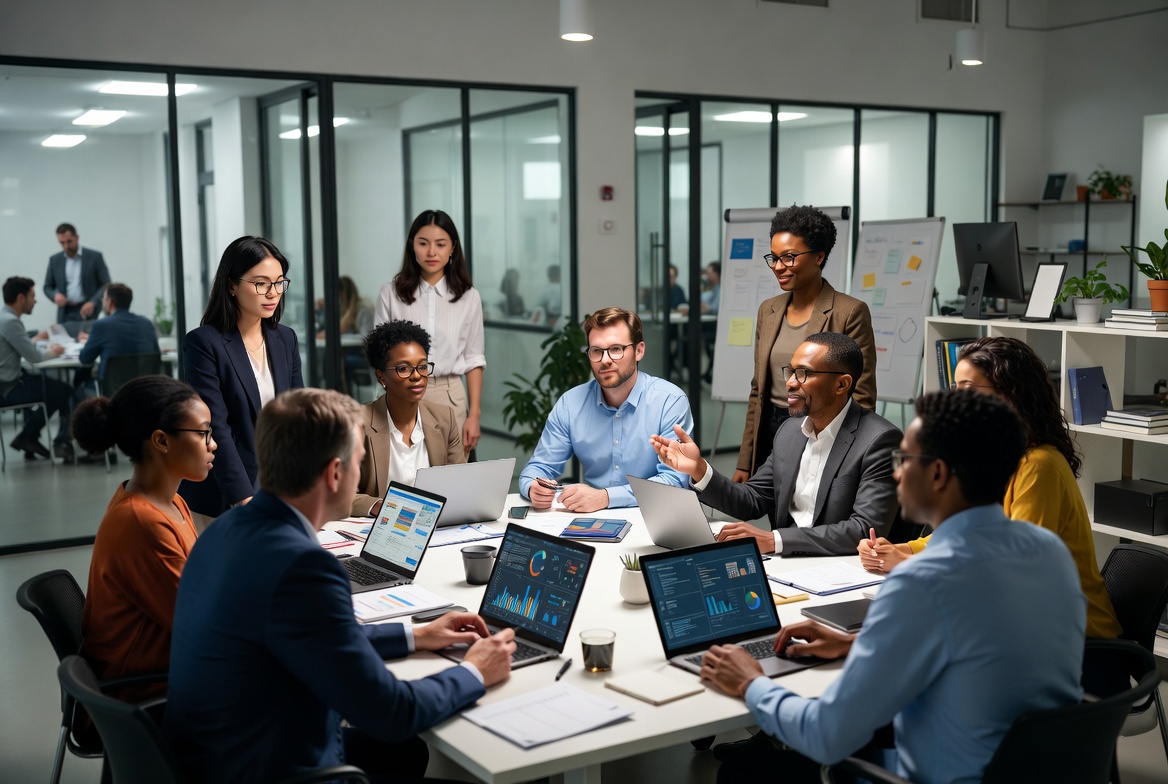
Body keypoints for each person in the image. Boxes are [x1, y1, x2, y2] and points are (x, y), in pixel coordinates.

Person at [701, 390, 1085, 784]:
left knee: (743, 772)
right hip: (1036, 771)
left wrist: (751, 682)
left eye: (904, 459)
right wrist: (858, 644)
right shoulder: (1049, 552)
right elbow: (981, 644)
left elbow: (826, 735)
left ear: (937, 473)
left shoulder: (923, 580)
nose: (896, 473)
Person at [165, 388, 516, 784]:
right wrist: (474, 671)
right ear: (335, 473)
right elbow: (391, 712)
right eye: (358, 464)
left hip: (219, 756)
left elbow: (317, 636)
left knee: (406, 754)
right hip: (272, 769)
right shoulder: (303, 566)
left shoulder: (225, 529)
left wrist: (415, 635)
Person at [858, 336, 1124, 695]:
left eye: (967, 389)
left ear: (1009, 396)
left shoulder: (1038, 466)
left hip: (1078, 650)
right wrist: (903, 550)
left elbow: (1013, 571)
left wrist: (911, 566)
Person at [651, 332, 898, 555]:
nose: (790, 382)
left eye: (804, 373)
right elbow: (753, 499)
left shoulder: (879, 440)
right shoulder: (791, 431)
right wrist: (699, 469)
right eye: (790, 371)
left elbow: (864, 529)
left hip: (840, 570)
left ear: (841, 384)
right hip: (784, 564)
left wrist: (775, 540)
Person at [72, 376, 214, 701]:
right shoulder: (142, 521)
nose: (213, 444)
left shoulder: (171, 502)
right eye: (203, 433)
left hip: (173, 671)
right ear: (162, 441)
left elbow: (198, 589)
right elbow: (204, 625)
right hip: (147, 696)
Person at [735, 205, 877, 485]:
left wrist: (846, 456)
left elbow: (862, 394)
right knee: (775, 514)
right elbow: (758, 390)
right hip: (771, 425)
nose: (778, 267)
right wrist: (745, 459)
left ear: (819, 257)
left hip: (820, 425)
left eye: (789, 257)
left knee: (808, 516)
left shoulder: (848, 311)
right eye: (774, 258)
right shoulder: (768, 310)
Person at [520, 307, 693, 513]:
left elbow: (674, 479)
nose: (605, 359)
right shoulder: (571, 404)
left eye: (616, 349)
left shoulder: (669, 401)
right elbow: (538, 468)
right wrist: (533, 488)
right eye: (596, 351)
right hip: (590, 518)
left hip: (654, 516)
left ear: (639, 351)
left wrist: (605, 497)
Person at [179, 236, 303, 525]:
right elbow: (216, 426)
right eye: (261, 283)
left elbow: (297, 417)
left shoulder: (285, 338)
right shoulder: (203, 343)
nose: (273, 293)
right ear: (232, 285)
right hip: (225, 491)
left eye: (279, 282)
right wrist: (244, 499)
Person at [375, 210, 484, 455]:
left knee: (452, 481)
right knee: (402, 475)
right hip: (400, 392)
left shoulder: (469, 297)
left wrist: (474, 414)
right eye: (423, 243)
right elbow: (380, 353)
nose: (431, 252)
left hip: (450, 394)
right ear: (412, 246)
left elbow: (474, 358)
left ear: (453, 248)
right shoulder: (390, 294)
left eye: (440, 244)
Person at [351, 319, 465, 517]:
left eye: (422, 366)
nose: (417, 376)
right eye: (403, 369)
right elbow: (340, 494)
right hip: (379, 530)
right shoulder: (356, 424)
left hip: (435, 527)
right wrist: (382, 506)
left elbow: (459, 484)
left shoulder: (445, 418)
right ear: (381, 377)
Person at [0, 276, 74, 460]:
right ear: (21, 298)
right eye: (32, 296)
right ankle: (30, 437)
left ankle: (29, 438)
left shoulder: (5, 317)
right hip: (8, 389)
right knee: (62, 391)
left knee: (51, 386)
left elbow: (18, 347)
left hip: (9, 382)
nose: (35, 300)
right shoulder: (10, 321)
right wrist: (55, 351)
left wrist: (34, 341)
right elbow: (34, 357)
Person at [75, 282, 161, 398]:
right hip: (144, 390)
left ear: (110, 302)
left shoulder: (101, 325)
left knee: (79, 383)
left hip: (113, 393)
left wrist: (90, 340)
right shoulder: (146, 323)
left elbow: (85, 359)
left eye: (104, 298)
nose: (102, 301)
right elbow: (156, 354)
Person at [44, 222, 111, 328]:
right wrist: (55, 295)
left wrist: (93, 302)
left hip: (89, 310)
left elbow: (106, 284)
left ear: (77, 238)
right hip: (65, 312)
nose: (66, 246)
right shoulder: (55, 260)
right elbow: (47, 286)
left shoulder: (94, 257)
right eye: (62, 243)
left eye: (69, 241)